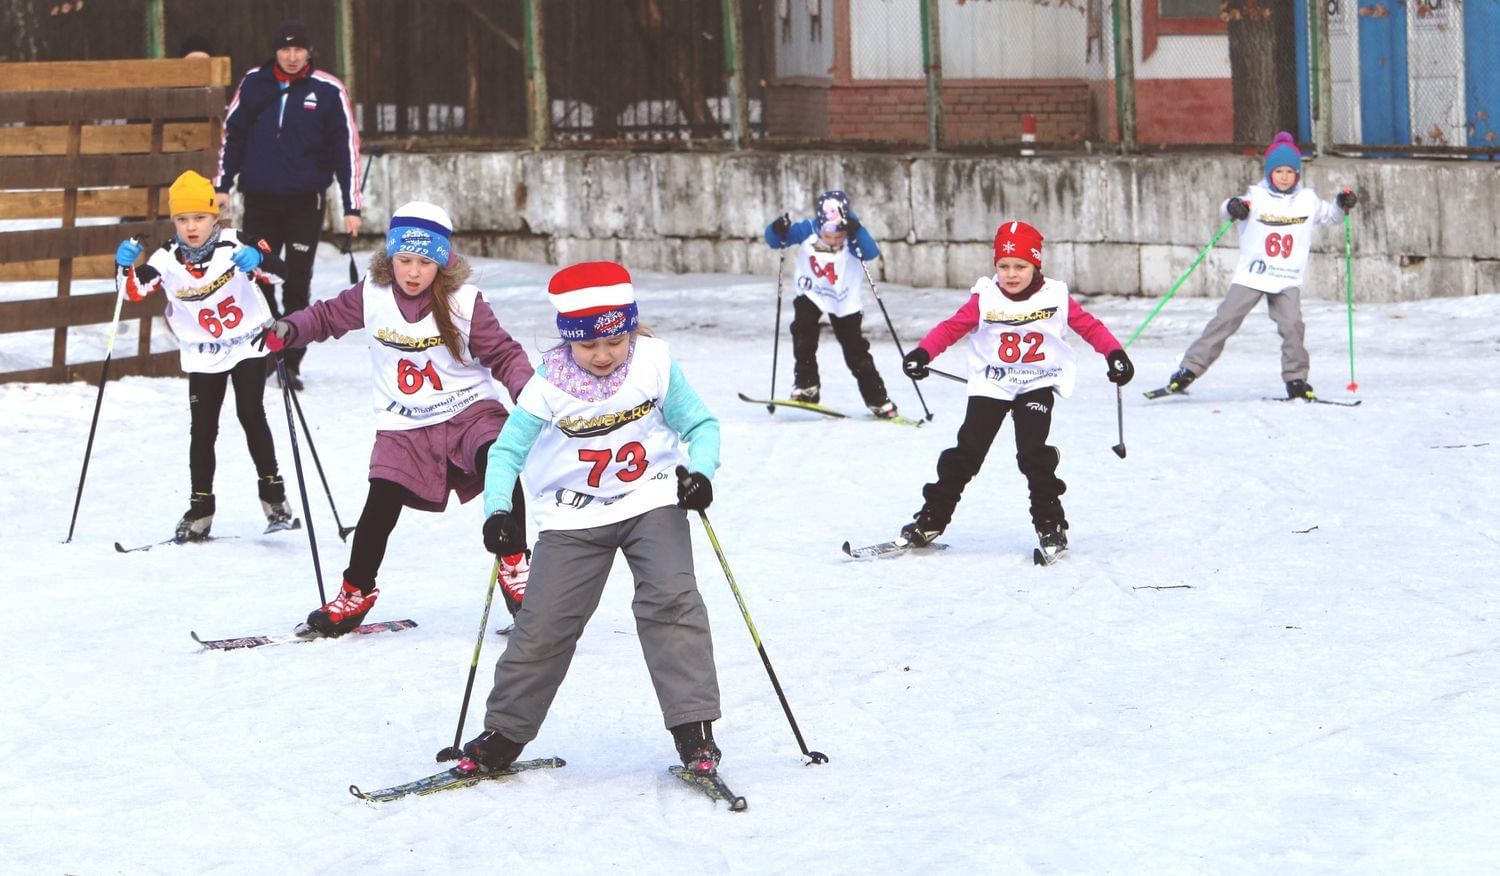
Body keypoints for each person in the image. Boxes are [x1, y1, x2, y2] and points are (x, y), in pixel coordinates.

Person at [460, 260, 726, 777]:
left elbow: (700, 424)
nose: (603, 356)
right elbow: (505, 454)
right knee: (542, 625)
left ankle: (694, 731)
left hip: (650, 498)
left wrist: (702, 473)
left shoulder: (654, 362)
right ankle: (505, 733)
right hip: (571, 514)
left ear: (629, 328)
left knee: (672, 601)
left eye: (614, 341)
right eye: (588, 346)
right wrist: (497, 512)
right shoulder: (546, 386)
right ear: (568, 341)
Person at [255, 202, 534, 636]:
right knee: (380, 501)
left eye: (424, 262)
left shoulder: (464, 302)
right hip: (405, 420)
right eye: (404, 259)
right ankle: (355, 592)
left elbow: (504, 353)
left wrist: (527, 393)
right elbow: (326, 316)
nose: (412, 271)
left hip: (468, 410)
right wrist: (291, 328)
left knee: (497, 461)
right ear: (390, 256)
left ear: (441, 262)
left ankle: (516, 566)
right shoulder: (372, 293)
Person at [898, 220, 1134, 562]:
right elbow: (951, 328)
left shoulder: (1055, 296)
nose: (1011, 274)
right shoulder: (986, 298)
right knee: (967, 452)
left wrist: (1115, 354)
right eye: (1003, 266)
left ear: (1036, 265)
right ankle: (931, 520)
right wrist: (923, 353)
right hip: (992, 383)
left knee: (1033, 455)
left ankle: (1050, 524)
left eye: (1020, 266)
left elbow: (1089, 327)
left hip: (1036, 383)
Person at [113, 170, 295, 541]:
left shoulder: (234, 242)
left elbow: (280, 274)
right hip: (203, 351)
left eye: (199, 217)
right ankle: (201, 510)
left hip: (247, 342)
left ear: (215, 217)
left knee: (251, 413)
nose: (191, 226)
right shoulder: (166, 258)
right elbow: (132, 291)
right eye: (182, 219)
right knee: (203, 429)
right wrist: (123, 265)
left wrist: (255, 259)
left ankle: (274, 500)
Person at [215, 18, 364, 391]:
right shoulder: (253, 83)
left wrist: (352, 205)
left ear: (309, 51)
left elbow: (347, 149)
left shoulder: (328, 90)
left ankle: (291, 359)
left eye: (299, 49)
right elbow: (232, 135)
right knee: (258, 276)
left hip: (304, 205)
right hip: (261, 202)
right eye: (286, 49)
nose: (293, 56)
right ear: (276, 51)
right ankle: (267, 350)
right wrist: (222, 184)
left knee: (297, 283)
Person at [1158, 131, 1358, 400]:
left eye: (1290, 171)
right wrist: (1234, 207)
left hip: (1286, 276)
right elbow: (1227, 207)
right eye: (1279, 171)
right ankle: (1188, 370)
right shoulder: (1257, 196)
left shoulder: (1306, 200)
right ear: (1269, 173)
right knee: (1225, 320)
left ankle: (1296, 379)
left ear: (1297, 174)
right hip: (1253, 274)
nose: (1285, 177)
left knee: (1292, 327)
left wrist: (1341, 203)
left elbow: (1331, 216)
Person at [763, 189, 900, 419]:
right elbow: (776, 241)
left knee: (856, 351)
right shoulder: (807, 229)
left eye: (839, 237)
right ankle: (807, 387)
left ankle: (877, 399)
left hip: (844, 298)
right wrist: (777, 228)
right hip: (812, 292)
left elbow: (870, 252)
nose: (834, 241)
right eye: (829, 237)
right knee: (803, 335)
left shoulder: (853, 231)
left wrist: (856, 229)